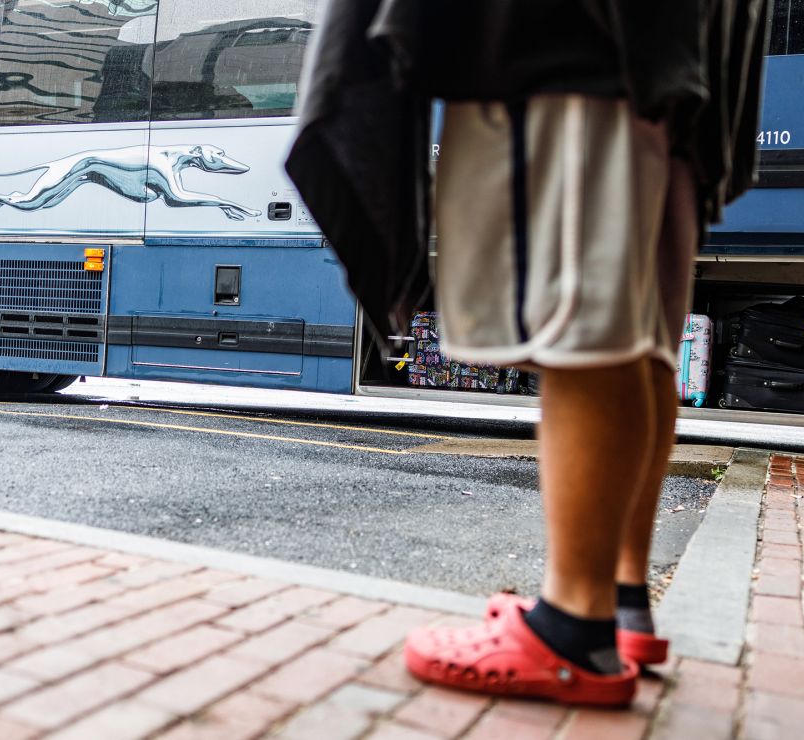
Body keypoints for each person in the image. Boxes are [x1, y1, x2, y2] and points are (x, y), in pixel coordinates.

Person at [287, 1, 771, 705]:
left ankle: (574, 631)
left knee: (576, 327)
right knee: (642, 341)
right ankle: (618, 601)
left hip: (559, 48)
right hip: (655, 62)